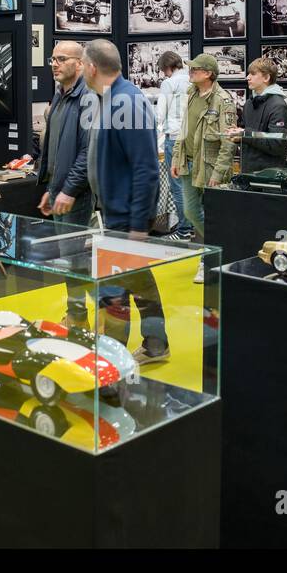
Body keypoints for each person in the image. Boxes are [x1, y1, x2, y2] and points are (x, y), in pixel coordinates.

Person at [81, 40, 167, 363]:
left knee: (113, 290)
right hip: (115, 215)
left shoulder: (127, 102)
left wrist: (136, 226)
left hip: (125, 218)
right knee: (135, 281)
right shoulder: (109, 99)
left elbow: (146, 169)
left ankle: (113, 360)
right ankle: (155, 343)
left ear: (91, 67)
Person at [171, 54, 238, 278]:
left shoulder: (223, 100)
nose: (190, 72)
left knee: (214, 215)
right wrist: (175, 159)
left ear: (208, 73)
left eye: (195, 69)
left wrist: (219, 173)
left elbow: (229, 141)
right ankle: (217, 248)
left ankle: (209, 258)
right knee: (190, 211)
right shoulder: (191, 94)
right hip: (188, 163)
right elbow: (184, 129)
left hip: (210, 167)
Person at [36, 40, 96, 227]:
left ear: (80, 63)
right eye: (52, 59)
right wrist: (51, 188)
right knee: (64, 253)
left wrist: (69, 191)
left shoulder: (89, 97)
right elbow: (55, 148)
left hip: (76, 194)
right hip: (59, 191)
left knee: (71, 254)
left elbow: (89, 153)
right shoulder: (59, 94)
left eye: (61, 59)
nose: (54, 64)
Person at [228, 57, 287, 173]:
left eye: (253, 74)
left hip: (269, 177)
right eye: (248, 74)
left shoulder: (278, 106)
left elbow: (277, 145)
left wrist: (245, 134)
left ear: (266, 77)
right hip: (247, 173)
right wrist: (238, 136)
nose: (248, 77)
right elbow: (248, 136)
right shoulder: (249, 103)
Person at [155, 49, 191, 239]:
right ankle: (191, 229)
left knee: (177, 187)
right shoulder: (192, 80)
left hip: (174, 138)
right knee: (191, 186)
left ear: (167, 67)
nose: (163, 74)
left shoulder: (169, 83)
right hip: (191, 139)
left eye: (163, 70)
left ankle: (184, 231)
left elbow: (160, 114)